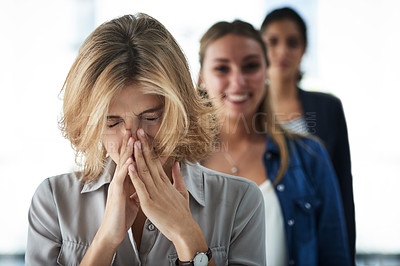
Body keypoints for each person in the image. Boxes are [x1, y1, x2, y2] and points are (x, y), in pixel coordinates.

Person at [25, 13, 266, 266]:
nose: (134, 141)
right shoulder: (53, 201)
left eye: (151, 117)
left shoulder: (241, 201)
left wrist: (187, 236)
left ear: (180, 111)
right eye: (112, 122)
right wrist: (106, 240)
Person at [198, 19, 351, 266]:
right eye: (222, 69)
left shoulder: (310, 157)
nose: (238, 82)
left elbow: (335, 257)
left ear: (266, 71)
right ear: (201, 77)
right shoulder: (179, 163)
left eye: (250, 66)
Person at [260, 7, 356, 263]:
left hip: (313, 238)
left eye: (292, 42)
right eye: (273, 41)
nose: (282, 51)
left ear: (303, 50)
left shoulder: (327, 108)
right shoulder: (246, 108)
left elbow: (342, 188)